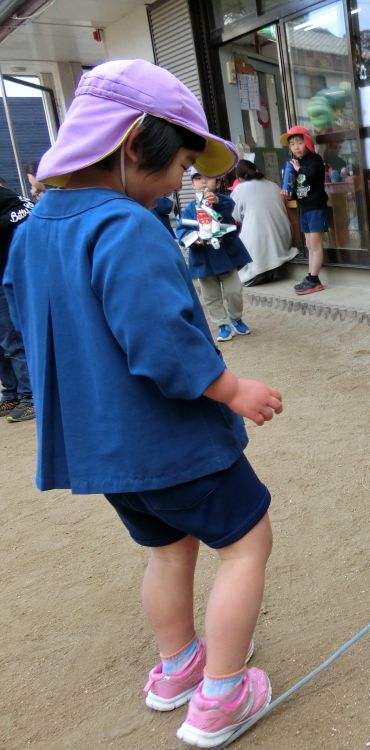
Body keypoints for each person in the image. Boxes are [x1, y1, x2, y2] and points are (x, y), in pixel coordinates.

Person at [2, 59, 279, 748]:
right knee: (247, 543)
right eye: (179, 163)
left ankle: (175, 667)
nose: (180, 181)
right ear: (133, 146)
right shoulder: (126, 226)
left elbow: (24, 322)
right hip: (171, 441)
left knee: (167, 550)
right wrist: (233, 389)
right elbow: (161, 340)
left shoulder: (34, 231)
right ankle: (220, 696)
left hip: (105, 451)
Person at [177, 167, 253, 342]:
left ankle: (236, 318)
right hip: (203, 257)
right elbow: (182, 230)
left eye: (208, 178)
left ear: (218, 183)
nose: (203, 182)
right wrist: (193, 239)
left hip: (225, 255)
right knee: (210, 296)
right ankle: (222, 324)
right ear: (193, 183)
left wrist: (217, 201)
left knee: (234, 290)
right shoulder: (189, 209)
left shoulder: (224, 201)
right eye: (198, 178)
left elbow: (230, 210)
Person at [230, 159, 297, 286]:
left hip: (258, 243)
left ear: (239, 178)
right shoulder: (274, 185)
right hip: (284, 239)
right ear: (257, 170)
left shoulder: (239, 189)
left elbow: (235, 216)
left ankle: (258, 272)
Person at [280, 125, 328, 295]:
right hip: (304, 208)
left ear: (307, 142)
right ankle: (310, 277)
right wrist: (287, 192)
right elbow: (296, 187)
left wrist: (300, 169)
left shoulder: (315, 159)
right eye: (292, 144)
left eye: (299, 143)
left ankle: (315, 280)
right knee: (308, 245)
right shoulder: (295, 164)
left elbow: (313, 174)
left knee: (315, 245)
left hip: (316, 207)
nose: (296, 147)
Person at [0, 183, 34, 422]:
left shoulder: (5, 196)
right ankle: (10, 392)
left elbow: (27, 210)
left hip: (4, 278)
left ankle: (29, 396)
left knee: (12, 339)